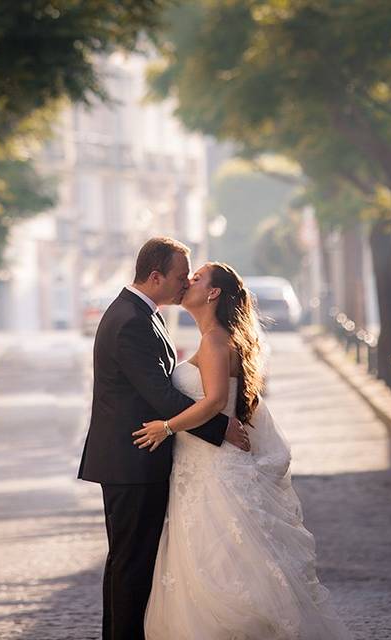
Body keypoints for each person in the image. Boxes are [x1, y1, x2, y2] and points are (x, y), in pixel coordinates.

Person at [134, 262, 349, 639]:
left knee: (222, 569)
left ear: (213, 293)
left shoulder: (215, 339)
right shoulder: (213, 337)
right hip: (200, 465)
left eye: (196, 279)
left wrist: (166, 427)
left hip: (214, 470)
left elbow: (216, 401)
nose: (187, 282)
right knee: (209, 565)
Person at [77, 238, 250, 640]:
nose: (185, 282)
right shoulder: (131, 320)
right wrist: (219, 426)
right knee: (131, 565)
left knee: (134, 563)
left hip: (143, 458)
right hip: (133, 460)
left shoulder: (143, 313)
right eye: (178, 275)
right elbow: (161, 395)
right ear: (155, 277)